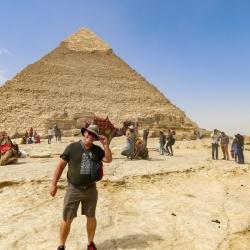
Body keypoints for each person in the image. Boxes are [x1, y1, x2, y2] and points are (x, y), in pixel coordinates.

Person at [50, 124, 112, 250]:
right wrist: (53, 184)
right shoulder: (72, 147)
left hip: (90, 189)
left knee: (91, 217)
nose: (90, 135)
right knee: (67, 218)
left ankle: (90, 243)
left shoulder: (97, 150)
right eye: (88, 133)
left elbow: (108, 159)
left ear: (95, 138)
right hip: (74, 189)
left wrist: (105, 145)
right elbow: (60, 166)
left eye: (93, 135)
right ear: (84, 133)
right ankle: (61, 245)